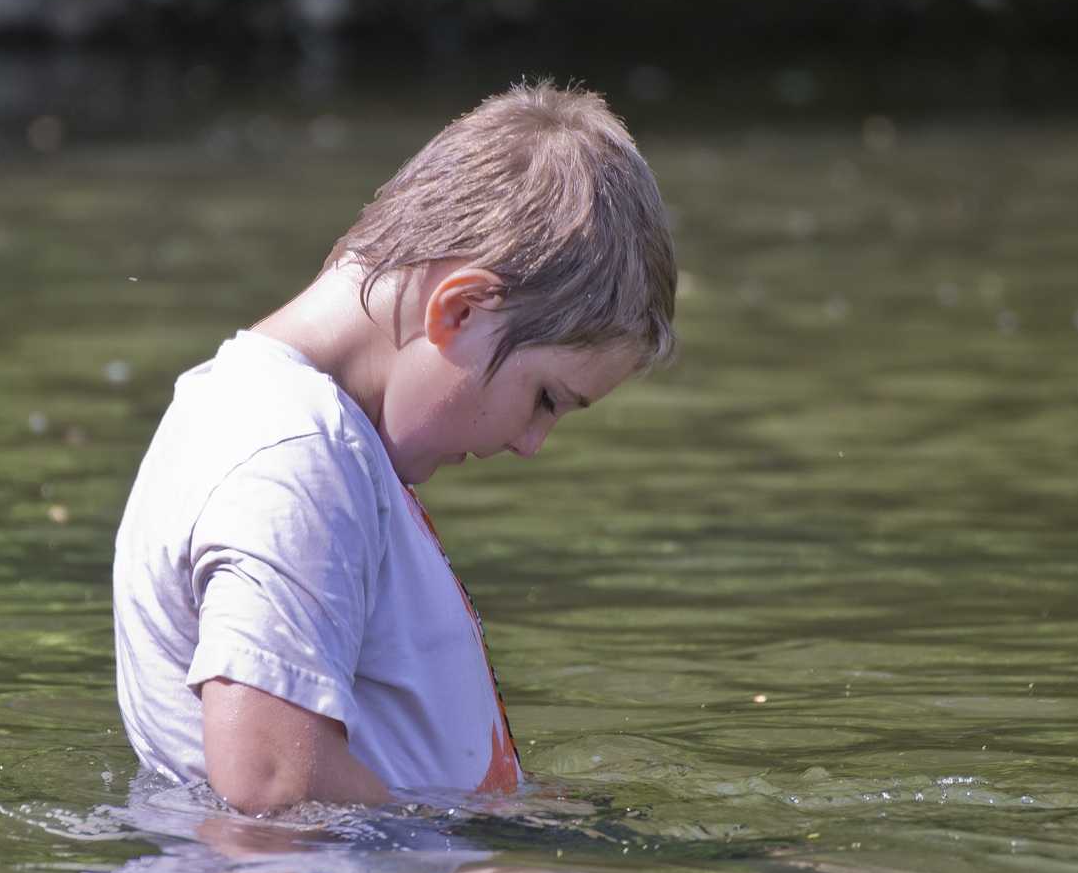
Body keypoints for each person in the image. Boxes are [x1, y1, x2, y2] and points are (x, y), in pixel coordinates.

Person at [111, 81, 676, 816]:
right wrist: (509, 868)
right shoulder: (290, 452)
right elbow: (271, 786)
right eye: (546, 399)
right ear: (461, 308)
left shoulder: (320, 439)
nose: (534, 444)